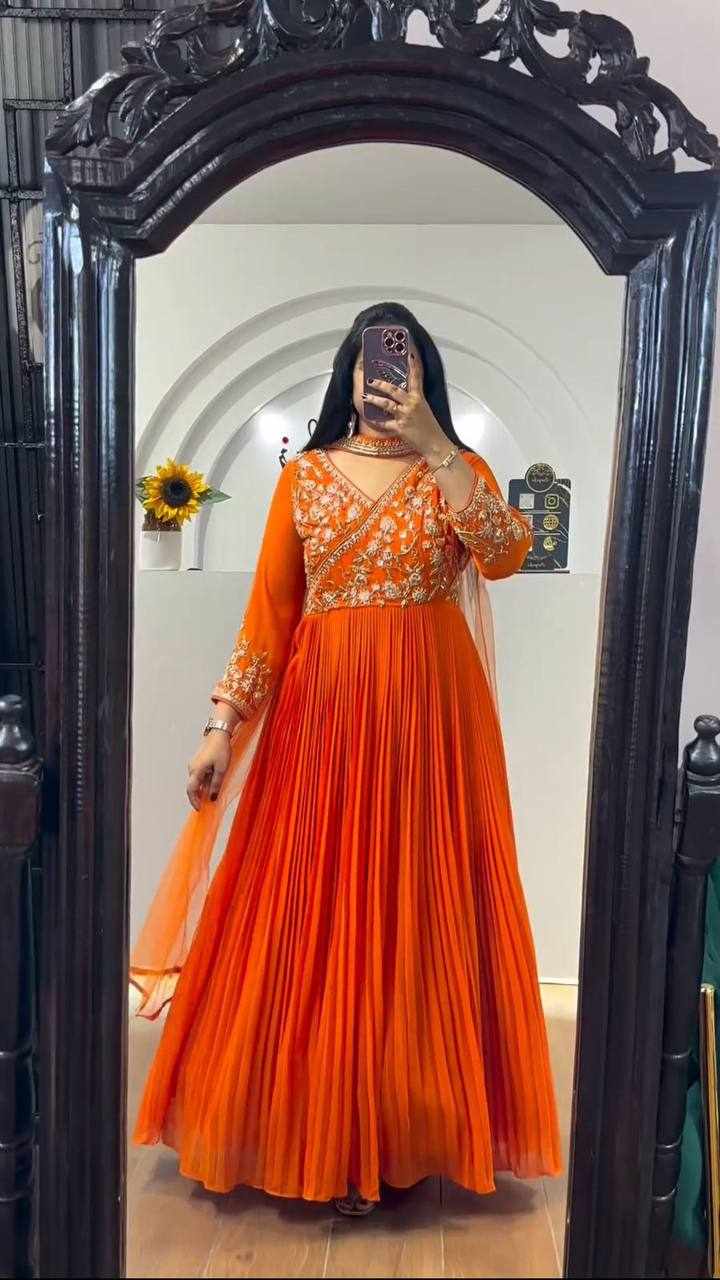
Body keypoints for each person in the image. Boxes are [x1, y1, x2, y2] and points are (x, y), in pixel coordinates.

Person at [131, 302, 561, 1216]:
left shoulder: (460, 472)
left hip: (431, 730)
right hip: (322, 722)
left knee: (420, 909)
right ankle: (319, 1128)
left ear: (424, 377)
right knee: (317, 905)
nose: (385, 378)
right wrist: (221, 726)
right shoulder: (306, 478)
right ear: (349, 374)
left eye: (402, 363)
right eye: (373, 362)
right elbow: (269, 617)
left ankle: (410, 1131)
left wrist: (437, 445)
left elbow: (507, 554)